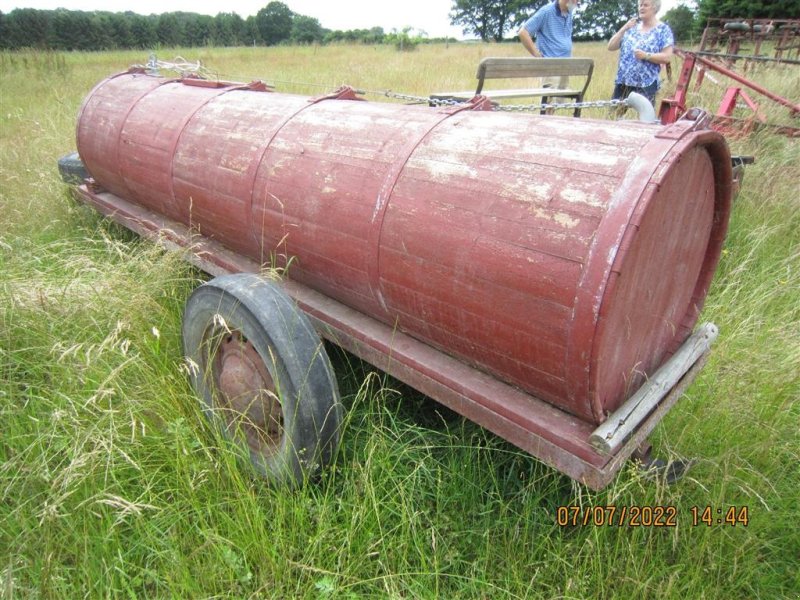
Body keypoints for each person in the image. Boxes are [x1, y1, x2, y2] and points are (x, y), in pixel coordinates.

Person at [607, 0, 674, 107]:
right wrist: (624, 28)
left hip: (646, 83)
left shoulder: (663, 30)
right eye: (640, 5)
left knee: (645, 119)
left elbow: (666, 57)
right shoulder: (631, 28)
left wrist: (646, 56)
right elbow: (611, 46)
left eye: (645, 5)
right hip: (623, 82)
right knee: (614, 117)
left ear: (654, 8)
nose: (641, 8)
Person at [519, 0, 580, 111]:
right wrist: (537, 55)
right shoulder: (546, 12)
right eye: (576, 0)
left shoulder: (569, 12)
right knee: (549, 105)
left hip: (565, 66)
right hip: (551, 66)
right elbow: (523, 32)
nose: (578, 2)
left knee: (559, 104)